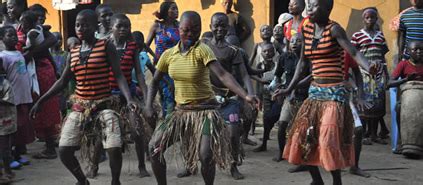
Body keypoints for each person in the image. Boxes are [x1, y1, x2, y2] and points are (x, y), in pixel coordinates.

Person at [144, 11, 259, 185]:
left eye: (196, 30)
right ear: (179, 29)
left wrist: (246, 95)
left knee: (205, 156)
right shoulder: (169, 55)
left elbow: (223, 75)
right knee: (154, 149)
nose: (191, 34)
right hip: (181, 112)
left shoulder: (202, 50)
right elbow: (154, 82)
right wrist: (149, 106)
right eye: (186, 30)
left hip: (205, 112)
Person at [30, 9, 137, 185]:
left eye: (86, 24)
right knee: (64, 150)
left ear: (96, 26)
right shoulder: (73, 52)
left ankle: (115, 181)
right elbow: (63, 81)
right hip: (80, 106)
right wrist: (42, 100)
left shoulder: (105, 46)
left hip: (104, 105)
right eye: (78, 25)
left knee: (114, 147)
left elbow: (119, 75)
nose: (81, 28)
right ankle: (82, 180)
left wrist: (130, 98)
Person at [279, 0, 376, 184]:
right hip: (314, 93)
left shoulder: (335, 29)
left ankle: (336, 181)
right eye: (309, 5)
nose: (310, 9)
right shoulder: (306, 30)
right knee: (303, 137)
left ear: (328, 8)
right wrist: (289, 87)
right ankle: (317, 180)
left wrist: (368, 66)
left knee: (327, 140)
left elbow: (354, 53)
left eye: (315, 5)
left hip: (334, 94)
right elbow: (302, 63)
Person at [86, 13, 150, 179]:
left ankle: (142, 165)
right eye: (119, 26)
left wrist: (147, 98)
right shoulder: (104, 46)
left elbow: (140, 75)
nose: (123, 29)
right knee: (104, 134)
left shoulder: (132, 47)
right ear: (111, 28)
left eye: (126, 26)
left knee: (137, 130)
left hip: (128, 94)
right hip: (108, 96)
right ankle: (93, 165)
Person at [204, 12, 256, 180]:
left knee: (233, 132)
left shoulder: (234, 51)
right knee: (204, 135)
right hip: (207, 100)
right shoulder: (203, 46)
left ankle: (233, 164)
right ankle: (193, 166)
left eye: (223, 25)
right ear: (210, 27)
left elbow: (245, 75)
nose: (219, 28)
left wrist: (250, 94)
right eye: (216, 25)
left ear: (228, 28)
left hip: (230, 99)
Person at [17, 10, 60, 160]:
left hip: (39, 71)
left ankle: (49, 147)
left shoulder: (32, 33)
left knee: (42, 105)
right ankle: (49, 143)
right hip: (42, 70)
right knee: (44, 105)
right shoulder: (39, 30)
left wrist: (29, 53)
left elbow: (47, 44)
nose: (22, 25)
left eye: (25, 22)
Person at [351, 7, 389, 145]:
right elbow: (353, 55)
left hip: (378, 75)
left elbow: (383, 57)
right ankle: (364, 135)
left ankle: (374, 135)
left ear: (376, 19)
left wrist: (387, 75)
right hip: (364, 74)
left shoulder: (380, 36)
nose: (370, 20)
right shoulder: (357, 36)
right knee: (364, 104)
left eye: (372, 17)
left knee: (378, 106)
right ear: (363, 19)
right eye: (367, 17)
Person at [271, 33, 309, 165]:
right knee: (282, 124)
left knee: (302, 129)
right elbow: (277, 76)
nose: (294, 43)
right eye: (292, 40)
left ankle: (302, 157)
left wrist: (292, 86)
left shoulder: (309, 59)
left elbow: (311, 77)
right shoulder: (284, 57)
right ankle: (281, 152)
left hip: (306, 97)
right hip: (290, 97)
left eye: (298, 41)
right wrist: (274, 88)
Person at [0, 26, 34, 170]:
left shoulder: (19, 53)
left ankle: (18, 154)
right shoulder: (3, 56)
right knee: (11, 130)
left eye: (14, 35)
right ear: (2, 39)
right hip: (12, 98)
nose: (13, 37)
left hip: (23, 96)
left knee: (20, 128)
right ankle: (10, 157)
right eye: (9, 35)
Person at [146, 1, 179, 118]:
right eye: (173, 9)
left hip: (177, 66)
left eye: (177, 8)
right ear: (166, 11)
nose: (177, 11)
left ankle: (171, 120)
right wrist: (154, 55)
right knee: (166, 94)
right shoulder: (157, 26)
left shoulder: (179, 26)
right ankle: (167, 122)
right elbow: (145, 45)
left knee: (175, 95)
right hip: (161, 68)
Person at [344, 53, 371, 178]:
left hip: (343, 95)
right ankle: (307, 162)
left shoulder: (346, 52)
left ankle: (354, 166)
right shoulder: (320, 48)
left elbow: (357, 74)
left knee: (358, 130)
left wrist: (360, 96)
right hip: (322, 94)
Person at [251, 43, 282, 153]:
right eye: (265, 51)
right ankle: (264, 143)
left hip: (278, 95)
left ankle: (277, 143)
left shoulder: (278, 64)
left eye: (270, 51)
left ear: (274, 52)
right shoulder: (260, 66)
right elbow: (251, 74)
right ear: (262, 53)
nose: (268, 53)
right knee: (266, 118)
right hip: (265, 94)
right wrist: (261, 81)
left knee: (276, 118)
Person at [0, 57, 16, 184]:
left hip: (5, 121)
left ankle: (8, 172)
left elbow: (9, 101)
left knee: (4, 149)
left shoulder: (5, 84)